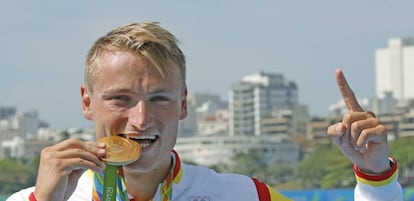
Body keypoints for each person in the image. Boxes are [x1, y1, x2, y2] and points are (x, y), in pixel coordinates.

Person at [7, 22, 403, 201]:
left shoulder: (245, 196)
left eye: (160, 98)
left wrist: (375, 177)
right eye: (120, 99)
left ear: (183, 104)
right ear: (86, 101)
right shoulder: (37, 199)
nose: (140, 120)